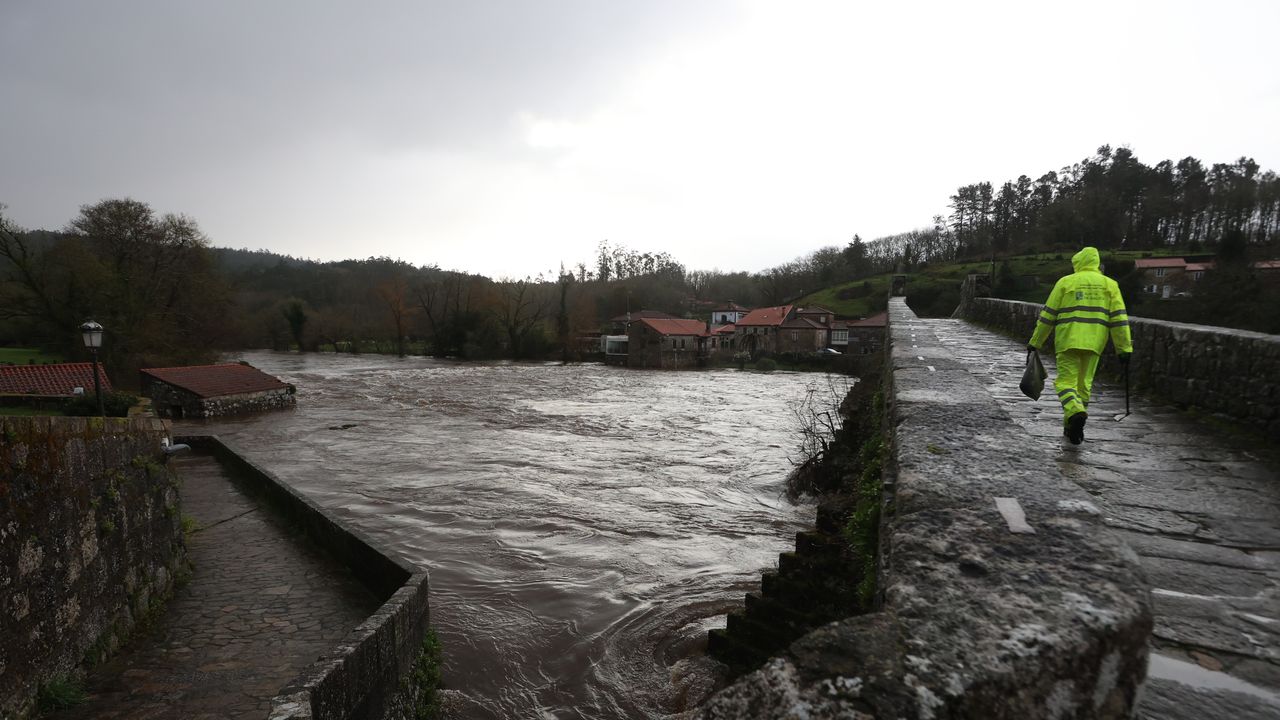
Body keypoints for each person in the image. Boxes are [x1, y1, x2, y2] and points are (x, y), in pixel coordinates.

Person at [1027, 247, 1132, 444]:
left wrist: (1035, 342)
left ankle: (1075, 412)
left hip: (1068, 341)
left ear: (1078, 263)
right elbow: (1119, 320)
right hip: (1094, 342)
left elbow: (1048, 316)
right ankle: (1072, 429)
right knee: (1084, 386)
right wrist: (1124, 348)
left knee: (1065, 383)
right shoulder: (1110, 285)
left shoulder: (1066, 282)